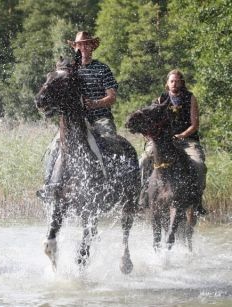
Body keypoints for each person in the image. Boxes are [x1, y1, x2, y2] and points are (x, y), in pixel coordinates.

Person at [37, 31, 119, 200]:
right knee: (54, 147)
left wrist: (95, 103)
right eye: (79, 45)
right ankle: (49, 186)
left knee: (110, 143)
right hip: (76, 121)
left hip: (99, 118)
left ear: (92, 47)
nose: (83, 47)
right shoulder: (70, 70)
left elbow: (112, 97)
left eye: (86, 44)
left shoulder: (102, 68)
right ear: (75, 47)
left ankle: (112, 184)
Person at [139, 69, 207, 215]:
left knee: (200, 165)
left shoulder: (190, 98)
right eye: (172, 81)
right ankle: (143, 195)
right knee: (144, 160)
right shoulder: (160, 99)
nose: (174, 84)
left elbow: (194, 124)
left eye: (177, 81)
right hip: (162, 141)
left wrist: (181, 136)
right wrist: (149, 134)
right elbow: (150, 120)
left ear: (182, 83)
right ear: (167, 83)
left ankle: (197, 200)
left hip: (187, 140)